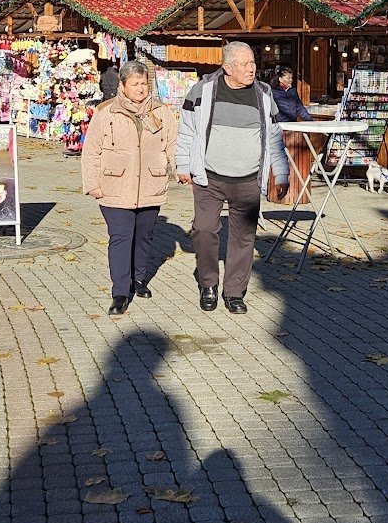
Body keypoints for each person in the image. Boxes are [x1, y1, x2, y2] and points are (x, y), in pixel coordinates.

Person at [174, 41, 288, 315]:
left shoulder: (263, 94)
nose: (252, 69)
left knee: (243, 237)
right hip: (209, 177)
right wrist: (182, 164)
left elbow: (274, 136)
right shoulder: (203, 90)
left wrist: (280, 172)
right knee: (203, 229)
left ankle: (234, 291)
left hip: (248, 179)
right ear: (227, 68)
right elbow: (187, 129)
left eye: (252, 63)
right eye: (245, 64)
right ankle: (208, 283)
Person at [82, 61, 178, 317]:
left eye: (143, 84)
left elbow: (173, 145)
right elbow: (91, 151)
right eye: (134, 84)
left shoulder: (161, 112)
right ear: (122, 86)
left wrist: (182, 170)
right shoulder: (106, 113)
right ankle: (120, 291)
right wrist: (92, 183)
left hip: (150, 183)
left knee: (144, 236)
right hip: (114, 186)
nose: (140, 89)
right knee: (121, 237)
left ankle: (138, 279)